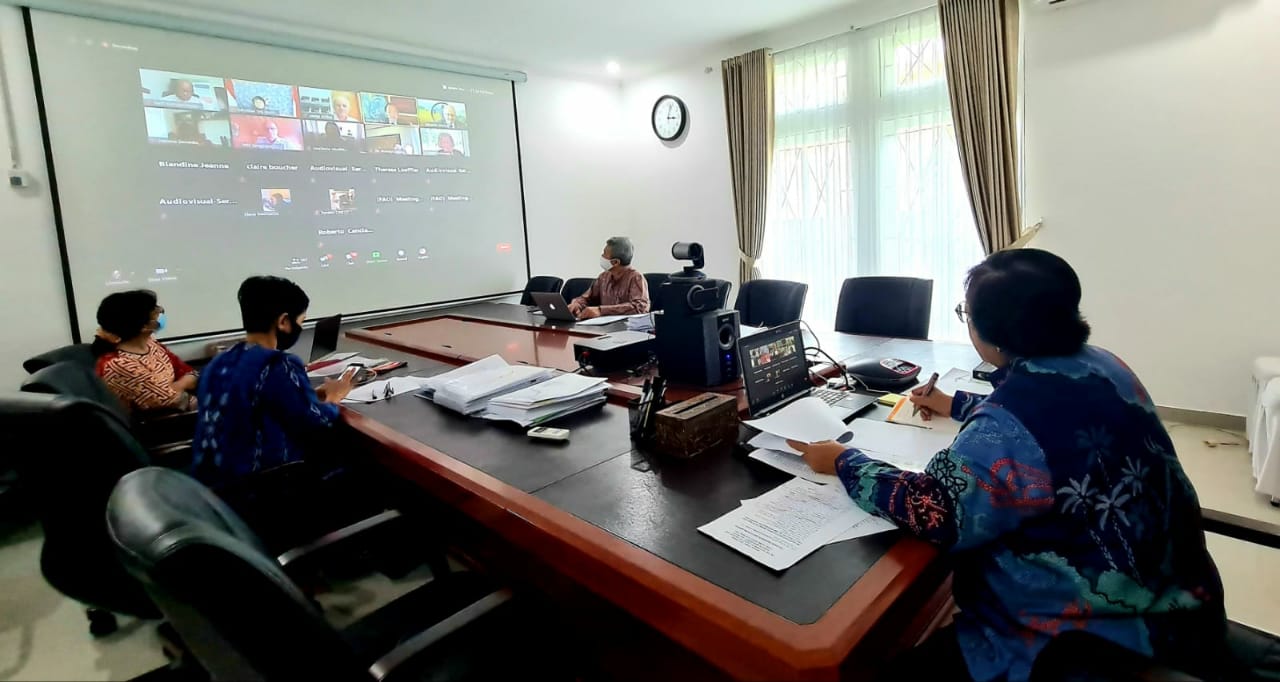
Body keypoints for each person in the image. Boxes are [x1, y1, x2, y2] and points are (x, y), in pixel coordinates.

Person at [788, 249, 1225, 682]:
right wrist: (955, 403)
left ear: (992, 334)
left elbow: (933, 510)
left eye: (966, 314)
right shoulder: (1106, 365)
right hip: (1185, 605)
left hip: (1082, 643)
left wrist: (844, 460)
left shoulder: (1006, 427)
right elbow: (1052, 416)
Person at [189, 276, 364, 547]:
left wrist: (310, 394)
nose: (299, 328)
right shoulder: (277, 364)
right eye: (301, 322)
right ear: (283, 321)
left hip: (215, 487)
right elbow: (316, 423)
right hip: (261, 488)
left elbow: (255, 401)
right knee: (361, 459)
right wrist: (335, 395)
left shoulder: (221, 361)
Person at [92, 290, 198, 414]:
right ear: (142, 326)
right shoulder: (118, 364)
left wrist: (174, 387)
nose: (160, 312)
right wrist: (183, 385)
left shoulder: (150, 343)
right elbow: (173, 401)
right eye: (154, 310)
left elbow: (190, 372)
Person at [567, 237, 650, 319]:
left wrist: (601, 311)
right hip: (602, 328)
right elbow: (587, 298)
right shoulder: (604, 277)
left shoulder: (636, 278)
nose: (602, 256)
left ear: (615, 262)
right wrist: (577, 304)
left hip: (626, 329)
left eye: (604, 254)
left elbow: (640, 308)